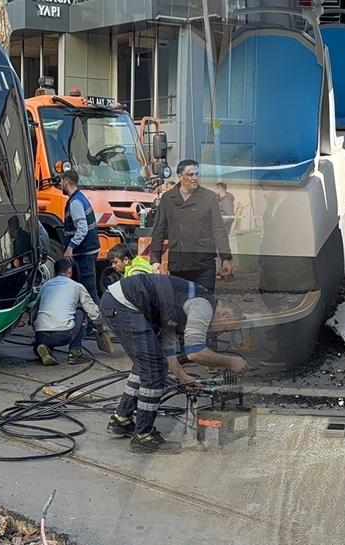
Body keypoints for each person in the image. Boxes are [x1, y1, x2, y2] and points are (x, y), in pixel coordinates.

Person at [100, 273, 248, 454]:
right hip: (125, 304)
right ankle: (143, 436)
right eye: (224, 329)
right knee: (153, 370)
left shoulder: (189, 302)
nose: (219, 334)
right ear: (225, 315)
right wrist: (231, 362)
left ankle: (121, 420)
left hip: (120, 301)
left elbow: (167, 344)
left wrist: (183, 377)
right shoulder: (203, 307)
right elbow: (195, 352)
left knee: (146, 364)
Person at [149, 160, 233, 293]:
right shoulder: (168, 198)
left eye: (197, 174)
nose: (194, 178)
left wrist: (226, 258)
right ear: (180, 176)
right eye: (190, 174)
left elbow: (218, 229)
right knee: (181, 302)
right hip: (179, 263)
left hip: (203, 263)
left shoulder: (209, 197)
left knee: (204, 301)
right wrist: (155, 259)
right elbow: (159, 229)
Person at [33, 258, 111, 366]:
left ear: (55, 272)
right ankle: (75, 353)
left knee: (47, 315)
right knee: (81, 313)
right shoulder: (77, 286)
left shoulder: (45, 286)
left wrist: (35, 328)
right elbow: (92, 310)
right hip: (63, 335)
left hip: (41, 334)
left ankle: (44, 346)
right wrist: (100, 326)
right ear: (70, 271)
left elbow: (34, 311)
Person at [59, 170, 101, 304]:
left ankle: (97, 316)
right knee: (85, 289)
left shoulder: (75, 202)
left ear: (67, 181)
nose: (60, 185)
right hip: (87, 250)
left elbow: (82, 229)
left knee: (88, 290)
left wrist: (70, 247)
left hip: (84, 252)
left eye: (61, 181)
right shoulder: (80, 197)